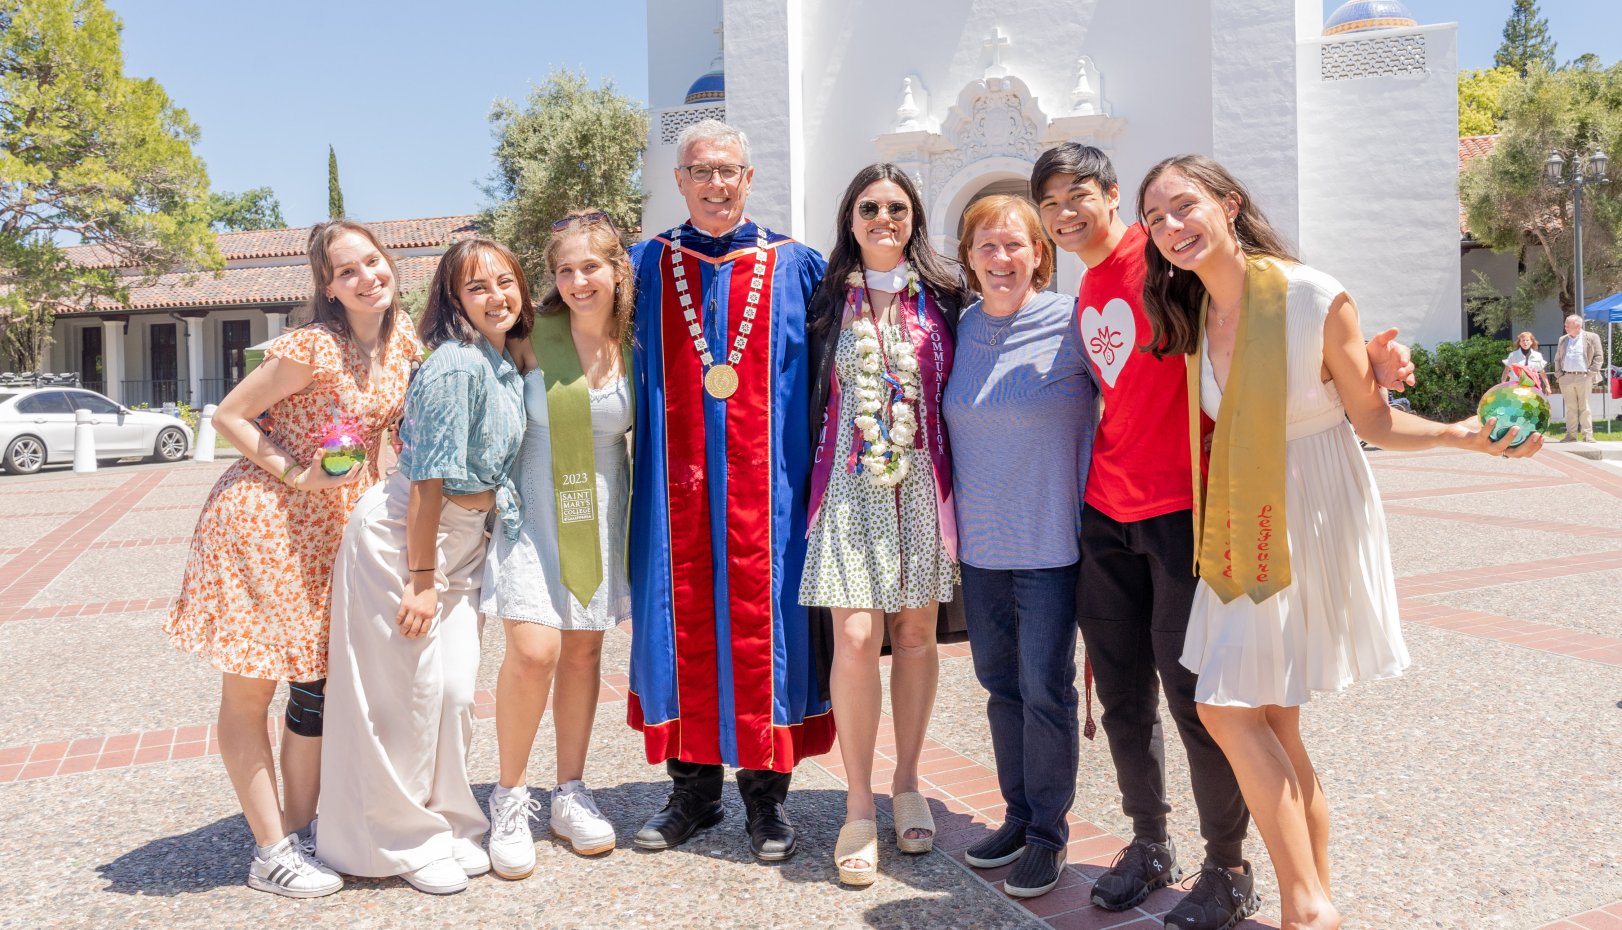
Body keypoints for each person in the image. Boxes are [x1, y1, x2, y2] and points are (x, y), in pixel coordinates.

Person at [1137, 153, 1542, 930]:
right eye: (1155, 219)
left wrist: (1463, 435)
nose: (1171, 228)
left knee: (1223, 709)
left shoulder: (1308, 294)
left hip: (1304, 508)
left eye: (1184, 207)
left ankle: (1309, 907)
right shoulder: (1192, 310)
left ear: (1227, 205)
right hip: (1242, 511)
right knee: (1276, 723)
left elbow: (1375, 419)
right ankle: (1314, 906)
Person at [1030, 142, 1418, 930]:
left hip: (1191, 509)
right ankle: (1150, 843)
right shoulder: (1093, 286)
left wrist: (1366, 362)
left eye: (1080, 195)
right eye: (1051, 203)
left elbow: (1273, 305)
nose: (1067, 214)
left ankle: (1229, 864)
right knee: (1126, 697)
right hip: (1108, 511)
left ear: (1111, 196)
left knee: (1205, 698)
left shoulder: (1170, 257)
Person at [163, 220, 419, 898]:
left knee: (317, 686)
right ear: (329, 289)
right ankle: (270, 849)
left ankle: (301, 835)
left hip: (338, 530)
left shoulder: (404, 342)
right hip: (265, 522)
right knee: (253, 688)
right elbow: (229, 414)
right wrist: (298, 474)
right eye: (346, 271)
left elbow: (397, 438)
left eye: (372, 261)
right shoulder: (313, 346)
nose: (367, 277)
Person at [626, 119, 834, 862]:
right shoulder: (643, 267)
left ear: (750, 178)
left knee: (764, 629)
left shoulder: (799, 266)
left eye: (729, 171)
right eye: (700, 171)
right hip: (672, 495)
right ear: (678, 181)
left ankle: (767, 801)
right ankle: (693, 793)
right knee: (678, 627)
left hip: (770, 499)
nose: (716, 184)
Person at [317, 237, 529, 895]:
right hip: (407, 544)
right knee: (404, 698)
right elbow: (431, 477)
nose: (496, 296)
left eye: (504, 281)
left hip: (462, 547)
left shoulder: (502, 361)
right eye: (477, 287)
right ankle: (396, 841)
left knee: (456, 692)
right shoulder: (456, 366)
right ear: (454, 299)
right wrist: (420, 581)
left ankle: (446, 820)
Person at [802, 164, 966, 885]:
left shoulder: (946, 302)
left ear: (914, 218)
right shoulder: (822, 303)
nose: (883, 217)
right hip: (848, 486)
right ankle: (857, 804)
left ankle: (907, 783)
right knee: (858, 636)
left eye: (897, 207)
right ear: (850, 218)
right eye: (869, 206)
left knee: (917, 633)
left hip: (922, 488)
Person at [941, 195, 1096, 900]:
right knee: (1000, 688)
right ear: (968, 258)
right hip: (979, 550)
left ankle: (1047, 835)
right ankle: (1017, 813)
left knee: (1044, 691)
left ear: (1040, 253)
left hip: (1050, 548)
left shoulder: (1073, 323)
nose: (1000, 260)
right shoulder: (960, 326)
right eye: (985, 247)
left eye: (1014, 246)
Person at [479, 211, 635, 877]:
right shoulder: (530, 336)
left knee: (583, 652)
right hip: (531, 512)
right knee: (534, 651)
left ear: (616, 272)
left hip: (602, 514)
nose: (576, 281)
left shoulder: (636, 340)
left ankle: (570, 790)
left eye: (590, 267)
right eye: (565, 270)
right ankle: (510, 795)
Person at [1555, 314, 1604, 442]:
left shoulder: (1592, 337)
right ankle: (1571, 435)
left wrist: (1591, 373)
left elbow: (1599, 357)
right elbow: (1558, 358)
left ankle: (1587, 435)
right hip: (1566, 377)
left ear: (1577, 326)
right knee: (1571, 408)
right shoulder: (1563, 339)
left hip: (1584, 376)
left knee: (1585, 407)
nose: (1565, 326)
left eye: (1567, 325)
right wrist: (1559, 374)